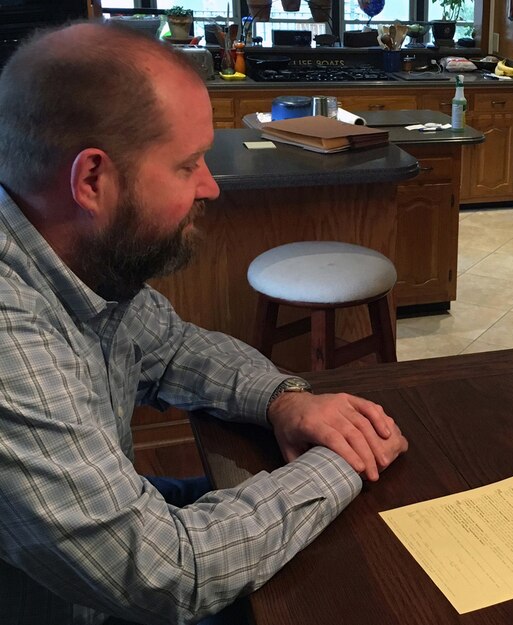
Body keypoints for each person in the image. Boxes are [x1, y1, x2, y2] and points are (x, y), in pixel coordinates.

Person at [0, 22, 408, 624]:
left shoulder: (72, 258)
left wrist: (284, 400)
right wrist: (346, 459)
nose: (210, 187)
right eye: (187, 164)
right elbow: (171, 573)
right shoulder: (11, 336)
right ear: (92, 180)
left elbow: (171, 348)